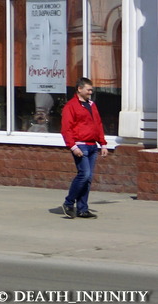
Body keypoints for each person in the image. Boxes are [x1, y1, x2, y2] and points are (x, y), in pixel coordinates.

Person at [61, 77, 109, 219]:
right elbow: (66, 129)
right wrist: (73, 146)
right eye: (88, 89)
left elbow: (98, 124)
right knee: (84, 174)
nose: (90, 92)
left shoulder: (91, 105)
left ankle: (83, 208)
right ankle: (69, 202)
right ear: (79, 89)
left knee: (88, 179)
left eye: (91, 90)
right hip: (80, 145)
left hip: (92, 145)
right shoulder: (71, 106)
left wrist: (103, 143)